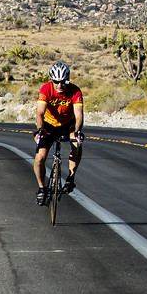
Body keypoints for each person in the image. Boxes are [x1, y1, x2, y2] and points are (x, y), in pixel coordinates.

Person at [32, 62, 84, 205]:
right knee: (39, 157)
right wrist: (40, 129)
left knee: (77, 142)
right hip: (49, 125)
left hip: (68, 124)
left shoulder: (75, 91)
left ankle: (70, 179)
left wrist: (78, 131)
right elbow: (40, 112)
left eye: (63, 82)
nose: (59, 86)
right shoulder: (45, 89)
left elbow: (78, 115)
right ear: (51, 80)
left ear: (68, 80)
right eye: (56, 82)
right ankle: (42, 188)